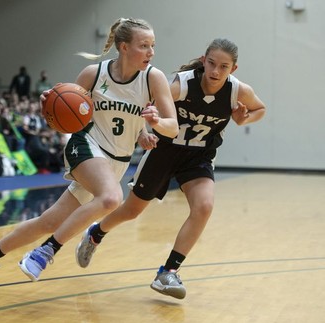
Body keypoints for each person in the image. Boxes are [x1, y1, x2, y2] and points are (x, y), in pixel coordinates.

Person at [0, 17, 178, 290]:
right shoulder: (94, 74)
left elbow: (172, 128)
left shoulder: (154, 78)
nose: (151, 52)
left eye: (153, 45)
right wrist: (50, 106)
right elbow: (67, 114)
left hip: (116, 161)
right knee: (112, 198)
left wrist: (151, 126)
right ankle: (45, 252)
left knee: (50, 221)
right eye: (144, 45)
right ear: (123, 47)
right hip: (85, 145)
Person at [75, 38, 266, 299]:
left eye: (223, 67)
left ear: (233, 69)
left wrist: (244, 118)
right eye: (211, 63)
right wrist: (144, 130)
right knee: (132, 211)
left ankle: (168, 272)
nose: (215, 71)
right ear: (203, 60)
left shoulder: (237, 91)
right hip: (164, 151)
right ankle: (96, 232)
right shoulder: (182, 84)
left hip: (199, 156)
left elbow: (260, 109)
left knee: (204, 207)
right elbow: (143, 105)